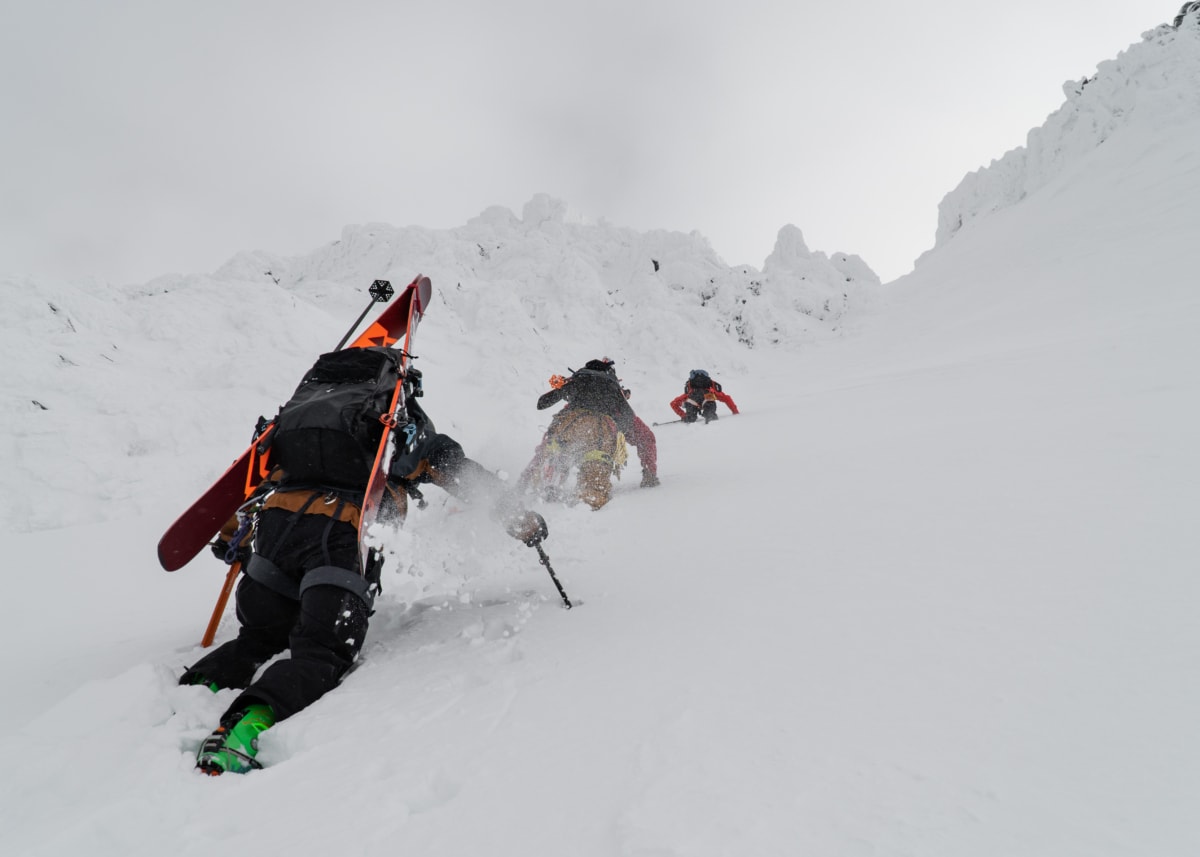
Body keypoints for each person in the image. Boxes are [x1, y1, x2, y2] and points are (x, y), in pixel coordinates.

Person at [181, 361, 547, 775]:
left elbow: (250, 482)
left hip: (274, 539)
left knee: (261, 636)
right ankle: (242, 730)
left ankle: (191, 691)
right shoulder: (405, 431)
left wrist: (234, 539)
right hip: (339, 543)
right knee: (320, 653)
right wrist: (523, 521)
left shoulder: (301, 424)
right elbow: (469, 479)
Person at [518, 357, 659, 509]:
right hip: (598, 431)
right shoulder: (611, 387)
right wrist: (619, 431)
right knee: (595, 479)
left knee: (550, 449)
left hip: (567, 422)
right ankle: (647, 476)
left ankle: (524, 487)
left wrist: (568, 391)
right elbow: (631, 421)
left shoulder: (577, 382)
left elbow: (542, 403)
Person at [670, 369, 739, 424]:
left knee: (690, 416)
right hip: (708, 397)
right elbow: (727, 399)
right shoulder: (711, 391)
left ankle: (690, 417)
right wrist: (735, 412)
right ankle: (710, 415)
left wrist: (683, 415)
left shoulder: (689, 393)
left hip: (692, 399)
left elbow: (673, 403)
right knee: (710, 405)